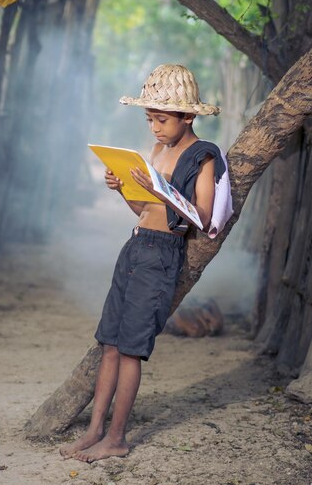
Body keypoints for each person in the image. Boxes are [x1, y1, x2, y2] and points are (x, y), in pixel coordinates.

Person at [60, 63, 224, 463]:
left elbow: (203, 218)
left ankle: (117, 438)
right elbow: (143, 210)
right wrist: (124, 190)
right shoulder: (155, 151)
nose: (154, 127)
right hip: (135, 247)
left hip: (163, 255)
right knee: (111, 345)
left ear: (188, 116)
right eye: (149, 118)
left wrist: (161, 189)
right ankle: (95, 430)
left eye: (162, 119)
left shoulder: (204, 156)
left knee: (131, 349)